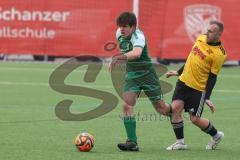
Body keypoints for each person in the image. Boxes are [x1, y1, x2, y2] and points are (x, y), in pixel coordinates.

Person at [109, 11, 171, 151]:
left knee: (161, 109)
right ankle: (132, 142)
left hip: (148, 75)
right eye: (120, 26)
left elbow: (136, 53)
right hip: (132, 75)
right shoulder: (119, 33)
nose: (122, 29)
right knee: (126, 106)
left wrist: (118, 57)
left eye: (125, 26)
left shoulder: (139, 36)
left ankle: (177, 112)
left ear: (133, 27)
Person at [165, 20, 227, 150]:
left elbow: (212, 77)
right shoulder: (201, 38)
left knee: (194, 119)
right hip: (183, 82)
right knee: (175, 109)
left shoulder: (219, 54)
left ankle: (216, 135)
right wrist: (178, 72)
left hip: (197, 89)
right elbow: (191, 58)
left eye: (210, 31)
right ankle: (180, 142)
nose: (207, 33)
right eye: (207, 30)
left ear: (219, 34)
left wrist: (207, 97)